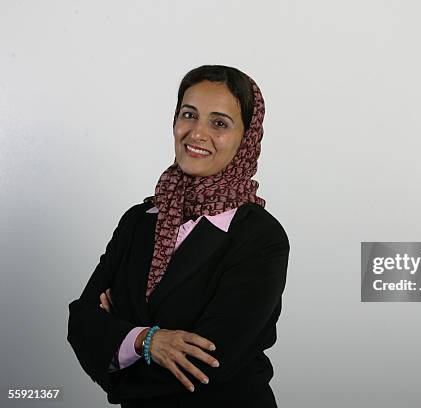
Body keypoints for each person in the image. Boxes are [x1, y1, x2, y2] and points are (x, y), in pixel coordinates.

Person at [67, 65, 290, 408]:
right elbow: (82, 321)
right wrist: (146, 340)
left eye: (219, 123)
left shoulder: (260, 237)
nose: (197, 133)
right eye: (189, 115)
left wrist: (117, 341)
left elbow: (208, 364)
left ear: (246, 138)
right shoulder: (138, 221)